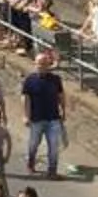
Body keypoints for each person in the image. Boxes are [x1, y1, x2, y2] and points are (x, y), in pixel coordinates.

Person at [21, 47, 65, 179]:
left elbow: (61, 96)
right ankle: (31, 163)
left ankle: (52, 171)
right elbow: (25, 99)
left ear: (48, 65)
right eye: (39, 64)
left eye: (44, 64)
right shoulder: (30, 80)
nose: (41, 67)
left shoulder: (55, 79)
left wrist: (63, 111)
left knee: (54, 146)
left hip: (53, 118)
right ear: (35, 64)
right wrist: (25, 115)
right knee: (33, 143)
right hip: (36, 118)